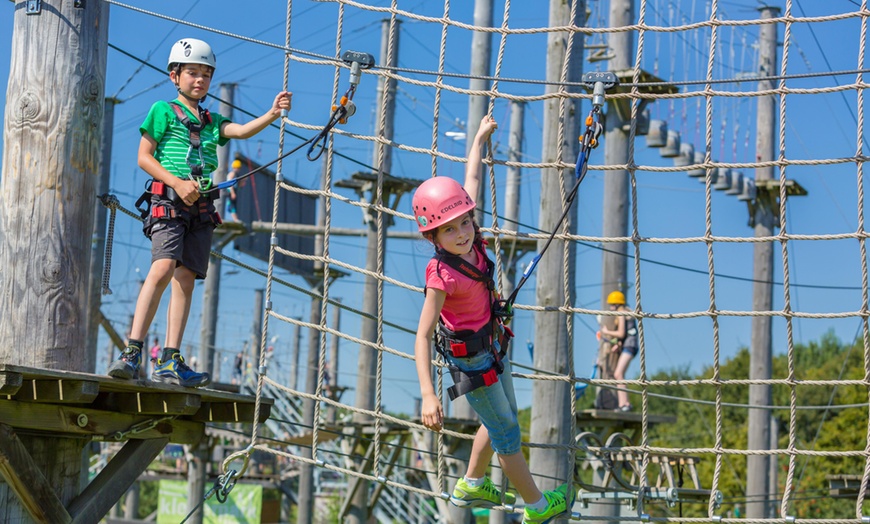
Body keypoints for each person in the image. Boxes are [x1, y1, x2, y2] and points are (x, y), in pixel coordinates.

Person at [412, 116, 573, 523]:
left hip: (493, 346)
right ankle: (536, 507)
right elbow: (422, 335)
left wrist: (479, 140)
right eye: (449, 230)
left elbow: (472, 178)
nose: (462, 233)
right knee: (507, 434)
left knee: (501, 419)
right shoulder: (441, 275)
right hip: (472, 362)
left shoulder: (473, 239)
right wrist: (428, 394)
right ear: (433, 237)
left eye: (465, 222)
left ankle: (471, 482)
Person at [108, 38, 292, 388]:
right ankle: (132, 350)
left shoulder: (211, 120)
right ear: (175, 76)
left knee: (187, 278)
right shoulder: (162, 110)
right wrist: (177, 183)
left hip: (202, 206)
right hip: (171, 201)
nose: (200, 80)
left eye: (206, 75)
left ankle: (171, 358)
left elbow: (238, 130)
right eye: (193, 73)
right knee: (162, 267)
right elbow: (144, 157)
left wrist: (272, 113)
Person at [598, 290, 638, 412]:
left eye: (611, 304)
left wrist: (606, 332)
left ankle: (624, 404)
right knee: (620, 374)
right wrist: (619, 343)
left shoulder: (621, 313)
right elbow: (628, 332)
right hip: (630, 345)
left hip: (630, 346)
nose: (610, 307)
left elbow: (621, 333)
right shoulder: (627, 312)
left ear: (616, 304)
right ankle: (624, 404)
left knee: (618, 374)